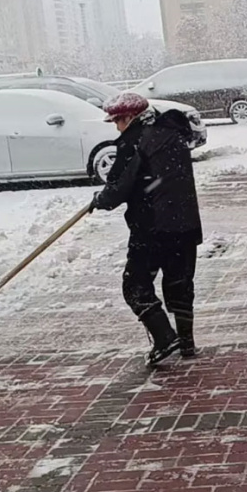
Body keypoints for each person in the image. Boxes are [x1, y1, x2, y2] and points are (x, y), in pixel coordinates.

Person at [90, 91, 203, 366]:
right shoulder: (172, 135)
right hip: (184, 224)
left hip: (151, 227)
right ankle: (186, 342)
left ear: (130, 117)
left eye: (117, 121)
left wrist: (101, 199)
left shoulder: (134, 141)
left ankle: (164, 338)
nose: (117, 127)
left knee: (135, 285)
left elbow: (119, 187)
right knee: (179, 284)